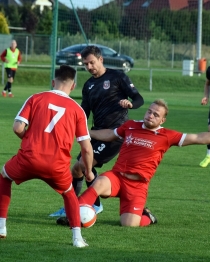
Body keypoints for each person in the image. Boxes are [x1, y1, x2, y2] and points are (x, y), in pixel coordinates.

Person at [57, 99, 210, 227]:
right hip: (117, 177)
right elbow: (109, 134)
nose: (150, 115)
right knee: (98, 183)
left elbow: (199, 137)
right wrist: (86, 133)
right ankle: (72, 216)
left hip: (138, 185)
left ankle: (147, 217)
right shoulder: (130, 125)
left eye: (156, 114)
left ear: (162, 119)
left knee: (129, 225)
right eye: (149, 111)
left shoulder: (167, 136)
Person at [0, 65, 94, 248]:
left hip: (29, 159)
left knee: (5, 176)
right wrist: (88, 171)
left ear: (53, 81)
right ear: (73, 86)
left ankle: (0, 225)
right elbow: (87, 149)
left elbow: (17, 127)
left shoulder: (36, 98)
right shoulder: (77, 110)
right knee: (69, 194)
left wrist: (30, 140)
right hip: (57, 166)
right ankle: (77, 239)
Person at [49, 45, 144, 217]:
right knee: (77, 170)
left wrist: (131, 104)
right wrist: (70, 121)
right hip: (95, 133)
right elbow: (84, 112)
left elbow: (139, 98)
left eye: (92, 62)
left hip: (114, 135)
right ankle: (83, 206)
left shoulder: (117, 76)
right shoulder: (88, 85)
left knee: (83, 166)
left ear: (101, 59)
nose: (89, 67)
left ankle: (81, 206)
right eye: (86, 64)